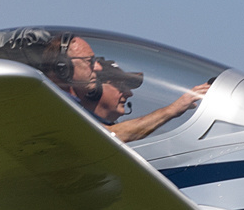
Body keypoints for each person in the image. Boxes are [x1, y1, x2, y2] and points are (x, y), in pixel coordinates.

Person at [53, 34, 210, 142]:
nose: (128, 93)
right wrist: (172, 109)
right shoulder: (55, 108)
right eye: (121, 85)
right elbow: (106, 137)